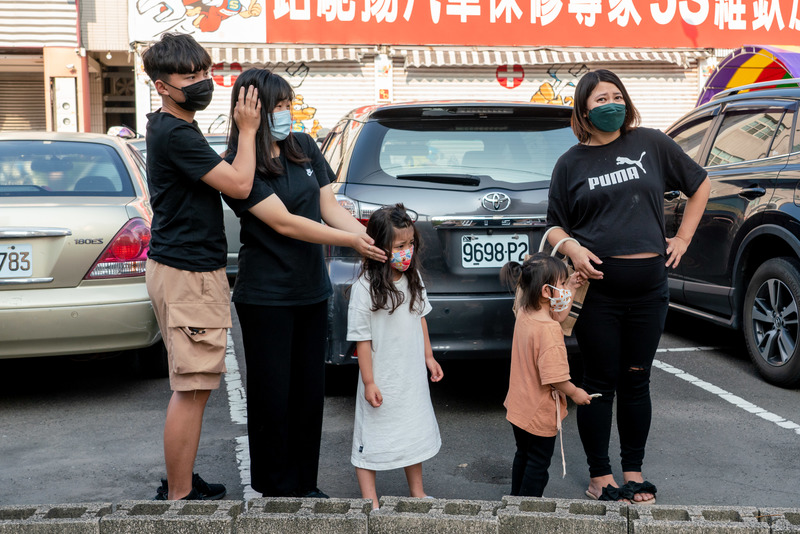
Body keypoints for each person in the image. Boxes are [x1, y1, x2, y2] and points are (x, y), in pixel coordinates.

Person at [546, 69, 710, 504]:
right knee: (599, 382)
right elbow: (553, 225)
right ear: (583, 109)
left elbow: (700, 184)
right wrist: (574, 250)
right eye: (600, 99)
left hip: (649, 291)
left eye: (616, 96)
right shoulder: (571, 163)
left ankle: (633, 469)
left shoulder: (651, 144)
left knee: (638, 380)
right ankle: (600, 475)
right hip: (598, 294)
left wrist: (683, 239)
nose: (611, 104)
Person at [222, 68, 386, 498]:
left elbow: (326, 206)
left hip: (312, 289)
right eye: (275, 106)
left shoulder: (304, 146)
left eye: (287, 104)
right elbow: (287, 224)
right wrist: (351, 240)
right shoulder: (238, 167)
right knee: (272, 395)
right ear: (248, 110)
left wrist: (367, 238)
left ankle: (304, 484)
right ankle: (274, 487)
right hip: (266, 297)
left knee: (308, 394)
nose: (284, 113)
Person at [141, 32, 262, 501]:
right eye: (189, 77)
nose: (201, 83)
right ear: (162, 87)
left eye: (204, 73)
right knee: (191, 387)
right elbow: (238, 184)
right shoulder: (176, 133)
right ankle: (179, 496)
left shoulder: (171, 128)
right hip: (188, 271)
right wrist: (248, 130)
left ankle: (182, 482)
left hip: (181, 267)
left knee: (196, 385)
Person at [346, 204, 443, 510]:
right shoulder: (364, 289)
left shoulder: (413, 280)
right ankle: (369, 499)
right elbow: (362, 340)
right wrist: (369, 381)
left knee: (411, 430)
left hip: (410, 375)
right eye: (399, 246)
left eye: (410, 244)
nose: (407, 252)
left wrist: (429, 357)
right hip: (382, 377)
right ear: (378, 248)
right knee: (371, 438)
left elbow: (420, 318)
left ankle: (417, 490)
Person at [500, 253, 591, 497]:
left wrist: (570, 287)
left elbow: (559, 314)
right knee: (538, 464)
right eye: (561, 283)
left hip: (518, 407)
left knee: (523, 455)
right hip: (539, 412)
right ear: (546, 292)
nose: (565, 286)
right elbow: (556, 378)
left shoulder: (524, 313)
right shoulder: (549, 331)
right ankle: (528, 510)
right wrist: (576, 393)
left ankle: (515, 502)